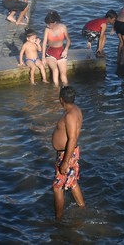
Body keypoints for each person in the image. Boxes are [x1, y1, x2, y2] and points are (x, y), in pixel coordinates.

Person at [51, 86, 85, 220]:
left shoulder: (70, 115)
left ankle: (58, 219)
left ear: (61, 100)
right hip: (70, 153)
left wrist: (65, 161)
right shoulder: (75, 110)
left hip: (67, 154)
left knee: (57, 187)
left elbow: (72, 139)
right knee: (73, 183)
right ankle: (83, 209)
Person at [43, 10, 71, 88]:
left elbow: (68, 40)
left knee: (63, 75)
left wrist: (66, 50)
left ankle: (66, 89)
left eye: (49, 24)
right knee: (55, 70)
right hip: (50, 53)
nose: (47, 25)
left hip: (61, 52)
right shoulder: (47, 29)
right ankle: (56, 90)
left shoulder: (63, 27)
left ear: (54, 22)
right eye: (47, 24)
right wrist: (43, 58)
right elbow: (44, 43)